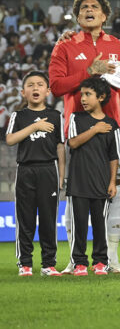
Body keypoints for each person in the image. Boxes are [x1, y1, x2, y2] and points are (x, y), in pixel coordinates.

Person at [49, 0, 120, 274]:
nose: (90, 10)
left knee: (112, 194)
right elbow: (55, 86)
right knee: (73, 198)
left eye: (95, 7)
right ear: (77, 17)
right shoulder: (64, 46)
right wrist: (89, 71)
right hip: (75, 134)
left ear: (105, 15)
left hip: (110, 131)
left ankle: (111, 259)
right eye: (84, 7)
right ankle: (74, 259)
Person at [6, 72, 65, 277]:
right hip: (26, 170)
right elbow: (11, 139)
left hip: (49, 170)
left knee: (49, 219)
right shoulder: (19, 116)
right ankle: (25, 264)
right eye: (30, 85)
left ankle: (48, 264)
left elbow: (60, 147)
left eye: (40, 84)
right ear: (23, 92)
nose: (35, 88)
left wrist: (61, 176)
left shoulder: (56, 116)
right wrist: (35, 126)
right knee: (26, 219)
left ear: (48, 91)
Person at [66, 76, 120, 276]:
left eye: (88, 94)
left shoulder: (111, 124)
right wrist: (94, 129)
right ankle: (79, 262)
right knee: (79, 226)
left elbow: (113, 156)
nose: (83, 98)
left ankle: (100, 262)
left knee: (100, 227)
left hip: (101, 183)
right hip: (78, 183)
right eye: (82, 94)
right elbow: (72, 143)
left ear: (101, 97)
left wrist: (112, 182)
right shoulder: (76, 118)